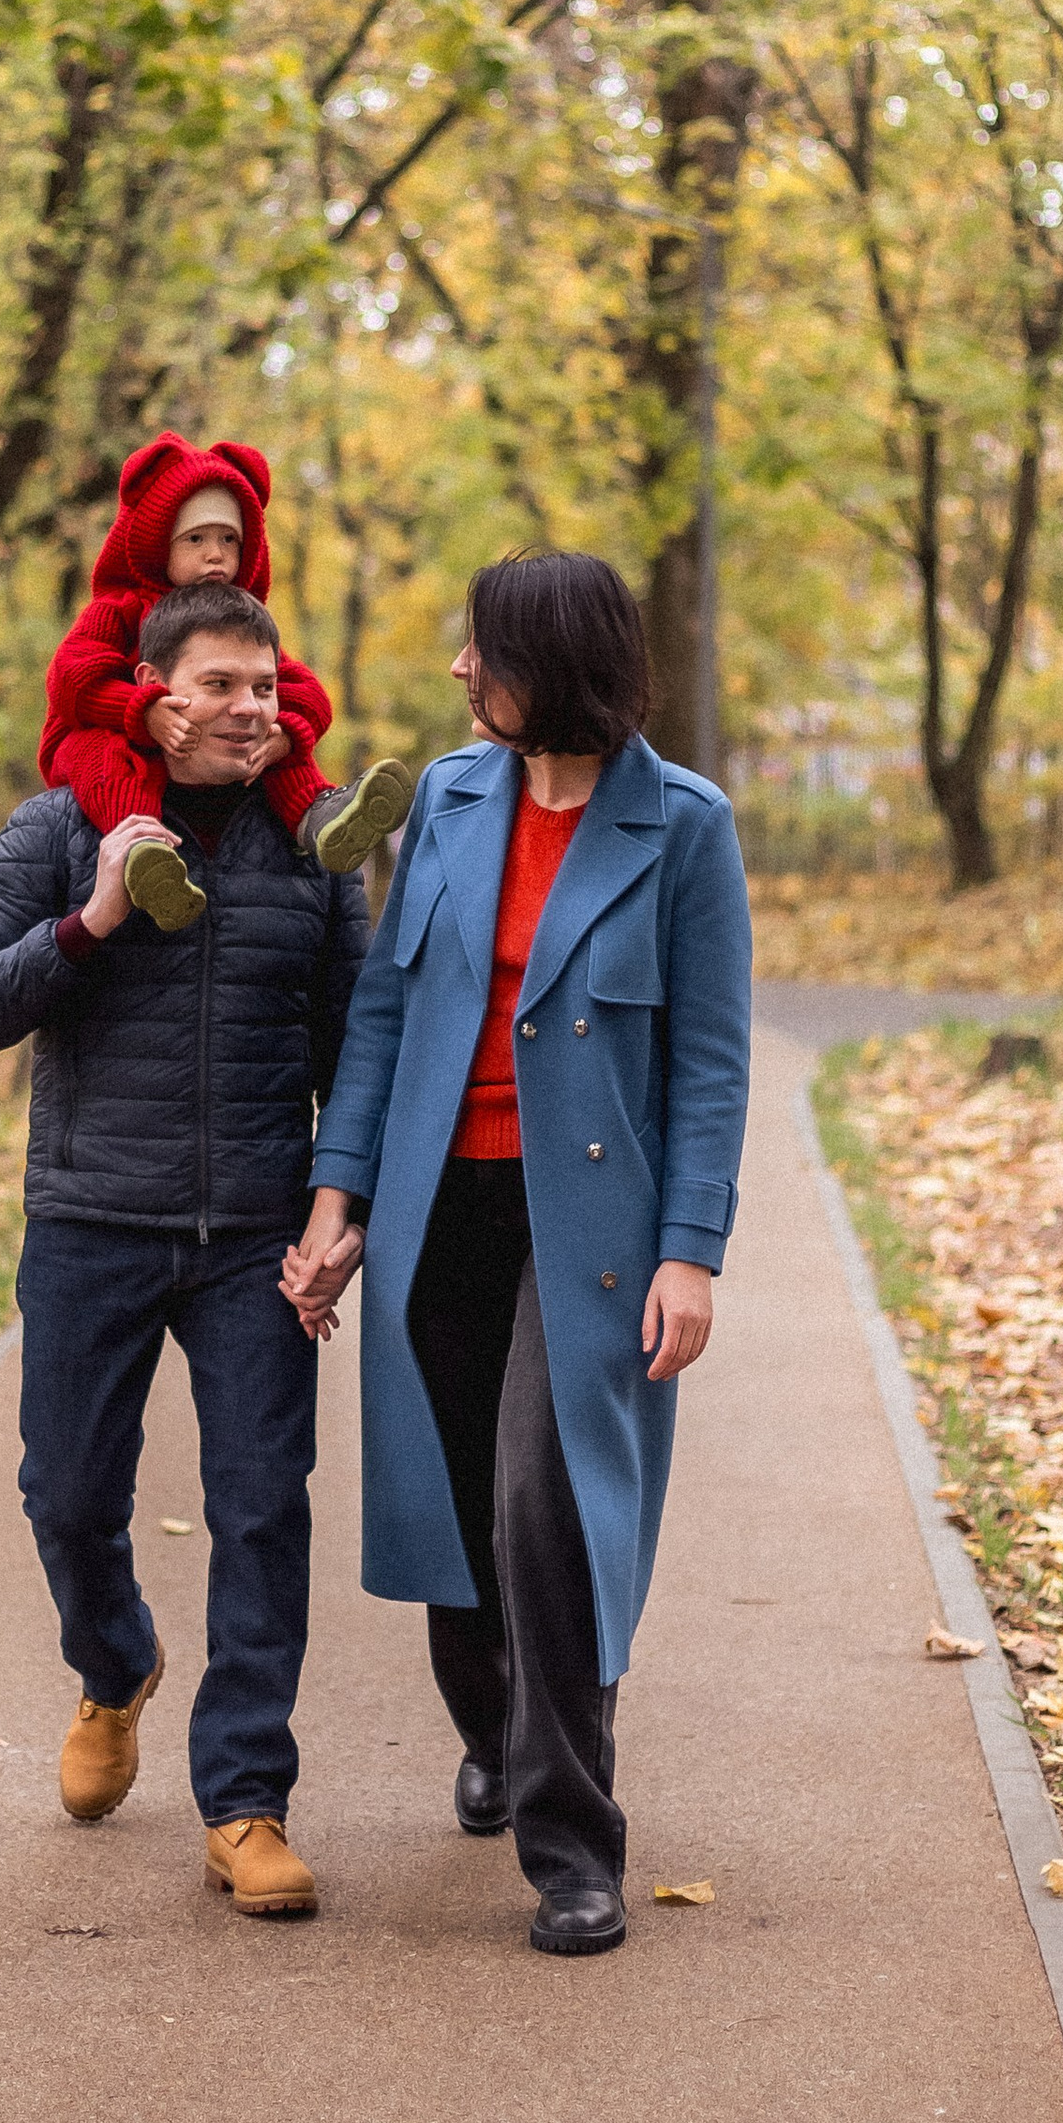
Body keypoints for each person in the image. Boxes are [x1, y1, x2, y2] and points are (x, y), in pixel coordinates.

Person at [282, 550, 751, 1957]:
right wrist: (337, 1196)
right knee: (453, 1500)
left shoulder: (683, 826)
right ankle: (489, 1727)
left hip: (591, 1226)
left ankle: (573, 1841)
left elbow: (714, 1062)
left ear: (551, 661)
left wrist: (693, 1251)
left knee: (544, 1495)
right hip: (438, 1203)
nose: (457, 671)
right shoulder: (445, 797)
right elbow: (384, 1017)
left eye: (479, 648)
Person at [0, 577, 369, 1916]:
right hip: (90, 1219)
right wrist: (93, 921)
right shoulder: (62, 829)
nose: (255, 713)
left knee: (260, 1509)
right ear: (155, 696)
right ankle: (115, 1662)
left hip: (254, 1236)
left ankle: (245, 1803)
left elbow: (359, 1049)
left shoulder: (317, 847)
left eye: (267, 686)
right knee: (64, 1496)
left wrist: (338, 1211)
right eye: (224, 689)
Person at [38, 433, 410, 935]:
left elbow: (308, 694)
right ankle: (143, 850)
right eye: (196, 540)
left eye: (228, 540)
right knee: (108, 755)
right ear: (158, 541)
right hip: (99, 732)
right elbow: (71, 679)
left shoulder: (243, 628)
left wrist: (287, 734)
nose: (215, 555)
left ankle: (319, 817)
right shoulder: (119, 610)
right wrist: (140, 709)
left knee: (261, 722)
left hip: (198, 741)